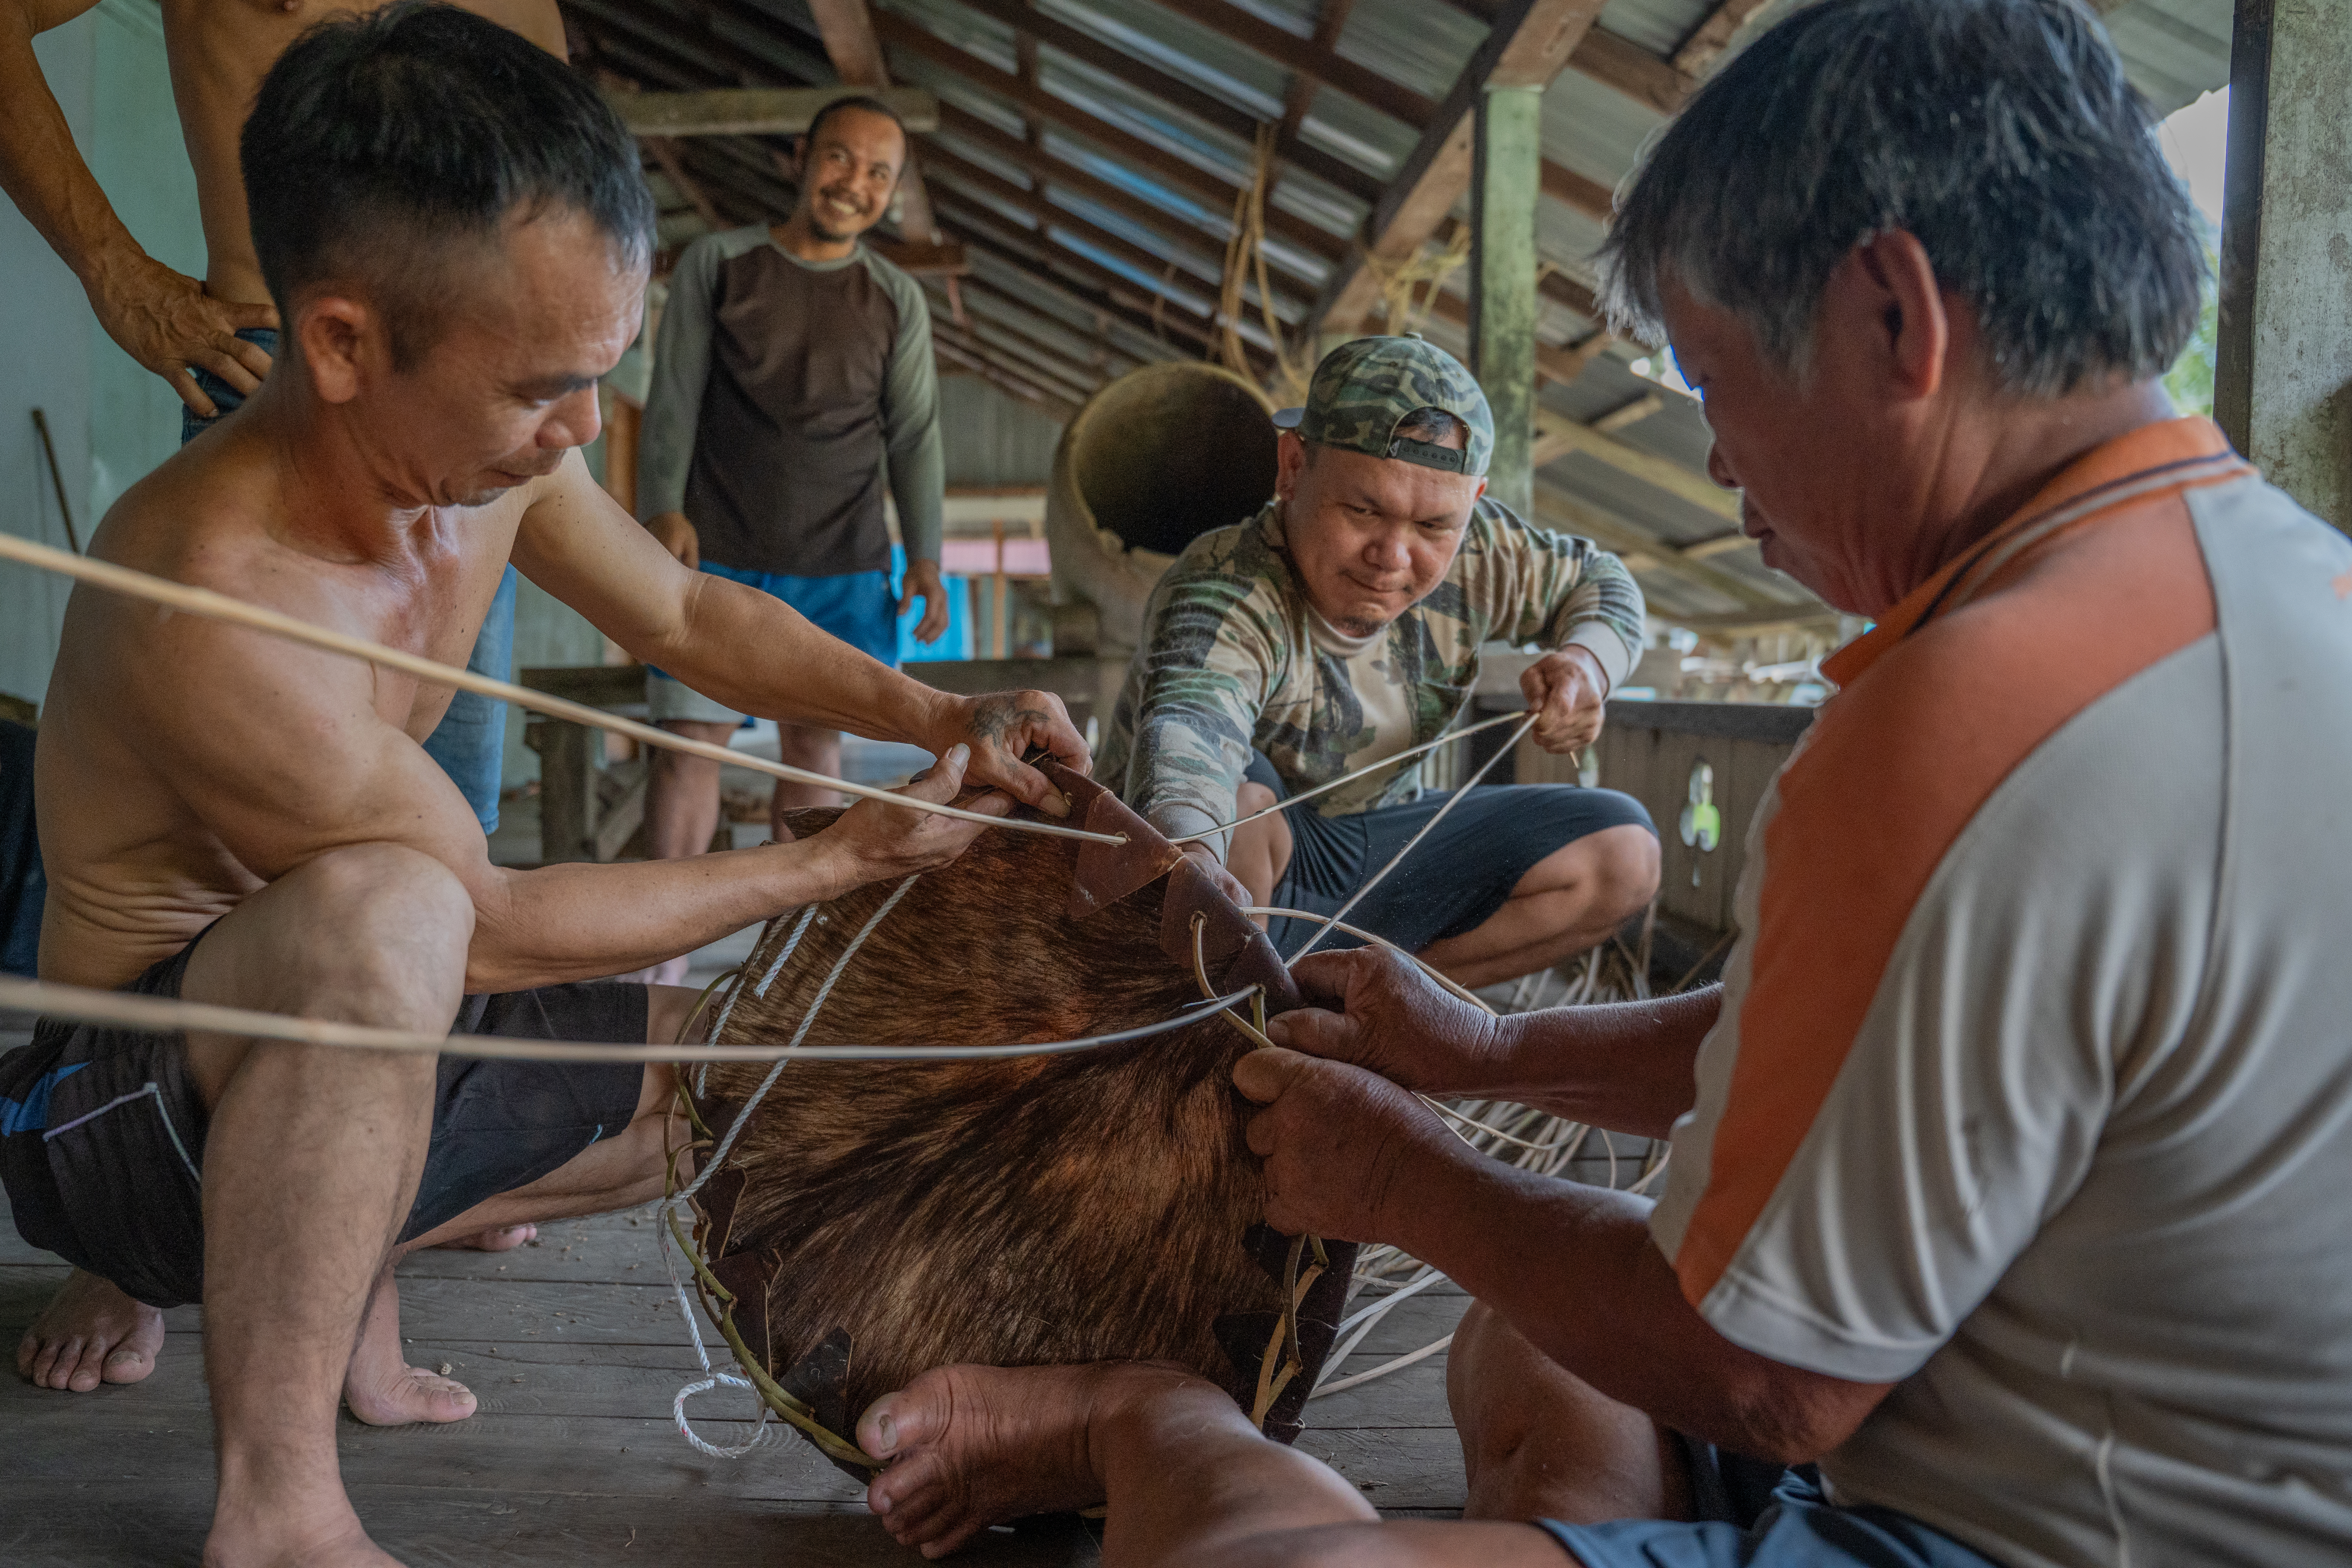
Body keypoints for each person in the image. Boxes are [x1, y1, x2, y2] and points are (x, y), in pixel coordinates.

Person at [829, 1, 2352, 1564]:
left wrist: (1405, 1179)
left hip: (2023, 1527)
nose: (1716, 463)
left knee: (1275, 1553)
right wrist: (1487, 1055)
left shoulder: (1970, 707)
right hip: (1960, 1402)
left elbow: (1762, 1378)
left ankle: (1147, 1421)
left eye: (1711, 379)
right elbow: (1851, 1040)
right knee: (1535, 1320)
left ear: (1894, 318)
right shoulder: (2280, 585)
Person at [0, 12, 1087, 1564]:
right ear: (342, 344)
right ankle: (276, 1504)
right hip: (119, 1142)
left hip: (346, 1047)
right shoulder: (217, 594)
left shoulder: (501, 462)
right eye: (542, 389)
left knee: (755, 1068)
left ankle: (334, 1286)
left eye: (600, 377)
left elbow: (692, 619)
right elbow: (488, 930)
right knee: (388, 920)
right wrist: (838, 857)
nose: (582, 428)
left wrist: (937, 707)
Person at [0, 0, 565, 838]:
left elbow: (685, 616)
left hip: (471, 415)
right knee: (254, 853)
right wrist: (112, 271)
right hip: (277, 383)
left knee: (447, 838)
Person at [1094, 334, 1659, 989]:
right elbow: (1191, 731)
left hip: (1377, 851)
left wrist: (1588, 664)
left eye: (1433, 528)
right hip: (1240, 870)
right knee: (1241, 806)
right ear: (1294, 467)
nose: (1392, 556)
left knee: (1624, 855)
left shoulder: (1484, 553)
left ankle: (1364, 1000)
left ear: (1473, 503)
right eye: (1364, 510)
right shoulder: (1227, 586)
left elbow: (1601, 582)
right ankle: (1229, 1002)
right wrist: (1192, 860)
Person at [635, 93, 953, 952]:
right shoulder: (719, 264)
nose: (855, 183)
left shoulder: (894, 299)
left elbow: (915, 435)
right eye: (840, 158)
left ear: (891, 192)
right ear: (801, 159)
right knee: (689, 753)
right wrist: (660, 510)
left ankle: (790, 965)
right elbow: (671, 404)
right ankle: (651, 965)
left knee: (812, 763)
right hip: (716, 559)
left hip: (846, 566)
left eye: (878, 173)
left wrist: (925, 556)